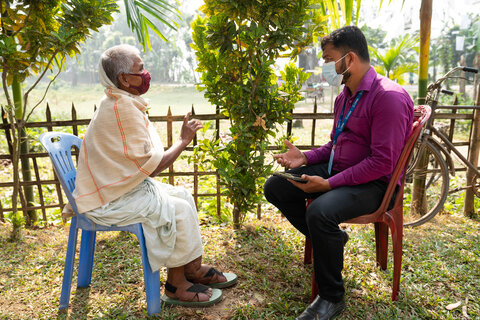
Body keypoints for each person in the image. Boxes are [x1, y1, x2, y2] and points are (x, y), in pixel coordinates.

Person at [66, 44, 237, 306]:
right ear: (123, 78)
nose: (146, 74)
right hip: (107, 199)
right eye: (140, 69)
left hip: (113, 189)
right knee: (176, 208)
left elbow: (139, 162)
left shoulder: (119, 100)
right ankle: (175, 285)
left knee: (182, 194)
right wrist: (182, 141)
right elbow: (152, 167)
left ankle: (191, 269)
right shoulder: (120, 108)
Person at [264, 26, 414, 320]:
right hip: (343, 171)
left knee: (319, 211)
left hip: (376, 184)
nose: (325, 66)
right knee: (276, 186)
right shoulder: (345, 96)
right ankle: (331, 240)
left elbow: (382, 163)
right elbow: (336, 145)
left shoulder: (389, 98)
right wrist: (305, 157)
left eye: (329, 58)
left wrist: (329, 184)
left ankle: (332, 297)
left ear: (350, 58)